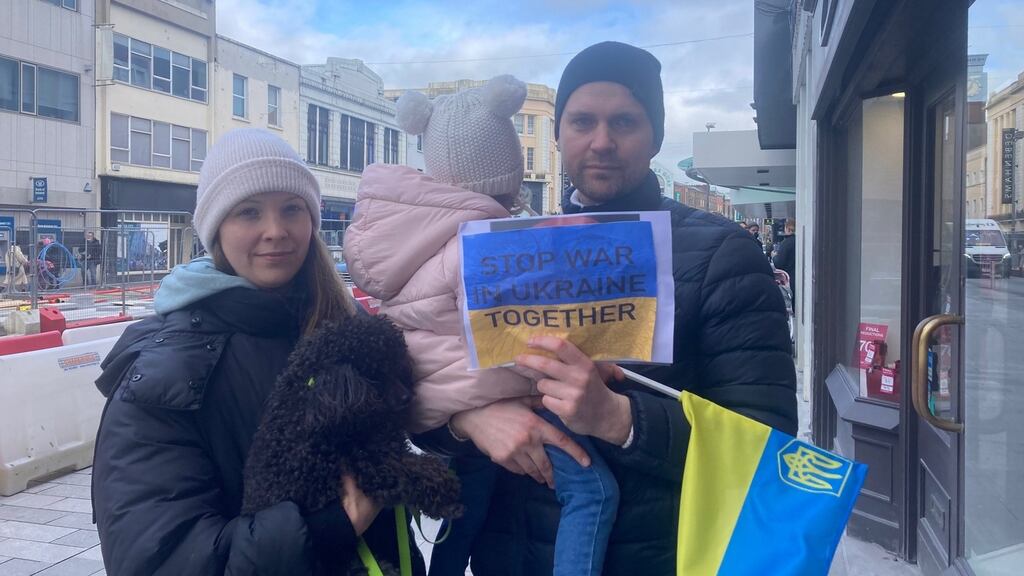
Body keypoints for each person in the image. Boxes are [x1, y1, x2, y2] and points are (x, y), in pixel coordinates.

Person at [413, 41, 797, 575]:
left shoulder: (723, 254)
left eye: (624, 122)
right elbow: (425, 392)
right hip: (509, 555)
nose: (601, 142)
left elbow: (769, 449)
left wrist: (620, 419)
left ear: (655, 136)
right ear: (559, 135)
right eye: (582, 122)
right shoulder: (506, 249)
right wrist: (468, 420)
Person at [91, 128, 426, 575]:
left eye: (292, 208)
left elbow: (425, 415)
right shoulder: (165, 371)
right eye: (249, 212)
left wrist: (465, 423)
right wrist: (326, 529)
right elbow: (156, 557)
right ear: (216, 229)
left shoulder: (352, 327)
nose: (276, 231)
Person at [344, 75, 618, 576]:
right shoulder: (485, 246)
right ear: (502, 184)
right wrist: (587, 358)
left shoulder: (411, 237)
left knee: (464, 512)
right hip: (495, 392)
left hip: (450, 406)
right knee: (592, 490)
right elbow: (516, 339)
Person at [774, 219, 797, 303]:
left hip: (789, 279)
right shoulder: (799, 240)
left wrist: (774, 256)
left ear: (788, 229)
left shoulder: (786, 243)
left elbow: (779, 263)